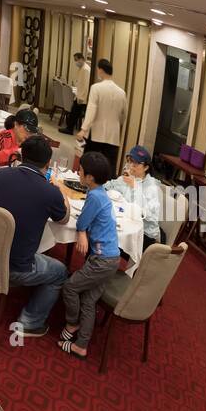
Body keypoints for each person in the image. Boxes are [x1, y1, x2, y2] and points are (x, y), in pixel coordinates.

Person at [0, 135, 69, 338]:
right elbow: (63, 219)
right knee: (61, 272)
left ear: (22, 155)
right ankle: (30, 321)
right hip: (15, 267)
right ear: (48, 163)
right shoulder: (49, 192)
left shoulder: (1, 175)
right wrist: (61, 190)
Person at [57, 151, 121, 359]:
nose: (78, 172)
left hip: (101, 260)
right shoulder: (101, 193)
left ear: (90, 177)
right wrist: (83, 232)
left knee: (70, 287)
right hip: (111, 259)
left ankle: (72, 323)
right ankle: (81, 345)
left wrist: (82, 231)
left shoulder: (94, 197)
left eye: (81, 171)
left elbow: (82, 222)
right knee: (89, 300)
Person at [104, 145, 164, 250]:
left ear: (146, 167)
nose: (131, 166)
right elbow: (110, 186)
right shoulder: (129, 177)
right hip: (126, 224)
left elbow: (150, 215)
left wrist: (135, 187)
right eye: (129, 161)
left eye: (135, 164)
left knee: (104, 235)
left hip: (145, 233)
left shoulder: (152, 186)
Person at [77, 58, 126, 167]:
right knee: (108, 167)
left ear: (101, 70)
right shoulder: (121, 92)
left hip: (96, 134)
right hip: (113, 136)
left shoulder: (96, 88)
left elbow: (91, 110)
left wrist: (83, 129)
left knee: (89, 164)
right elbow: (123, 115)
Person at [61, 52, 91, 134]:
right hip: (79, 95)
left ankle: (69, 129)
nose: (75, 62)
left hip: (82, 97)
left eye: (76, 60)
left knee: (74, 113)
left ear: (82, 59)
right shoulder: (81, 68)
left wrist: (82, 97)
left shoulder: (86, 69)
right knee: (73, 112)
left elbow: (86, 85)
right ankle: (69, 128)